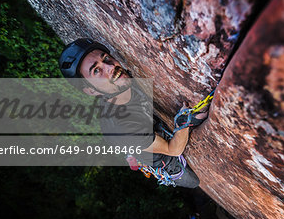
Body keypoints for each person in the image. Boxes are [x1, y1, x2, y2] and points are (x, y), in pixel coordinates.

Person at [59, 38, 207, 188]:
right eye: (96, 70)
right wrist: (184, 123)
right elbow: (173, 149)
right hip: (162, 158)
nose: (110, 66)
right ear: (90, 90)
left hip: (136, 137)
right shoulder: (123, 126)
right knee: (195, 182)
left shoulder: (122, 81)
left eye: (106, 58)